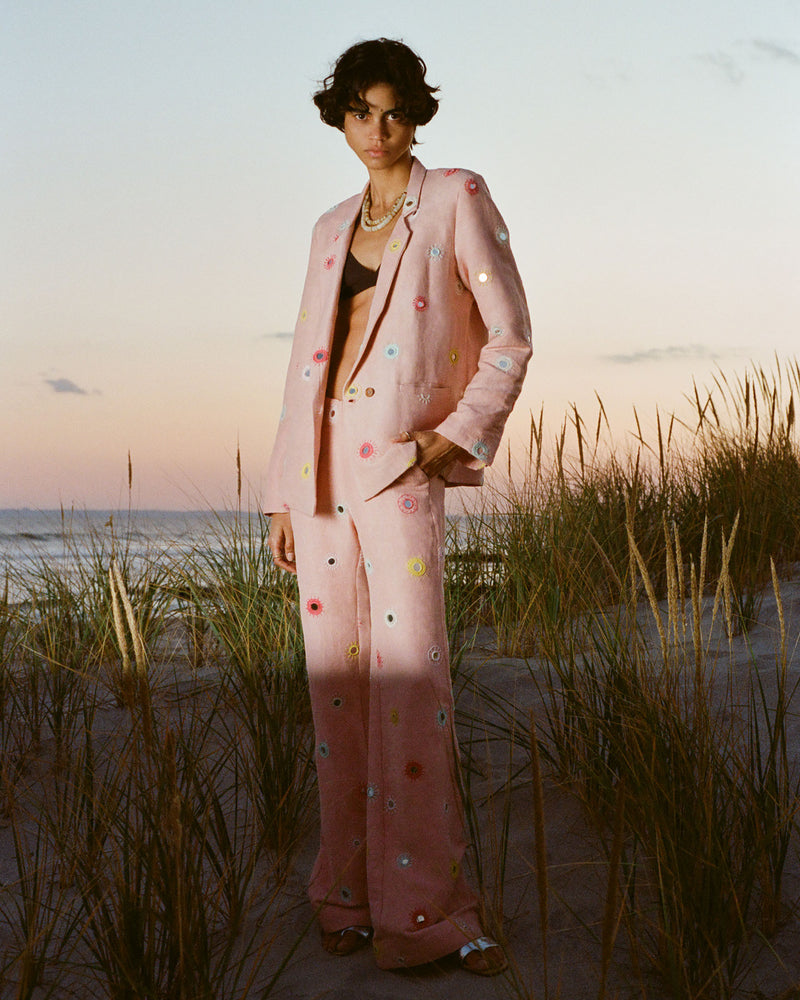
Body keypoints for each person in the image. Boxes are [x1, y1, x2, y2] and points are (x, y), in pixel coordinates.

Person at [264, 37, 531, 976]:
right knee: (335, 692)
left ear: (417, 113)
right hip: (321, 480)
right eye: (360, 112)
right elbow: (309, 366)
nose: (378, 131)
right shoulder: (329, 225)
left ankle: (429, 915)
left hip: (403, 474)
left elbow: (510, 337)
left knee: (414, 690)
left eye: (394, 112)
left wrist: (443, 442)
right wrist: (284, 498)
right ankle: (343, 896)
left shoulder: (456, 196)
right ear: (338, 117)